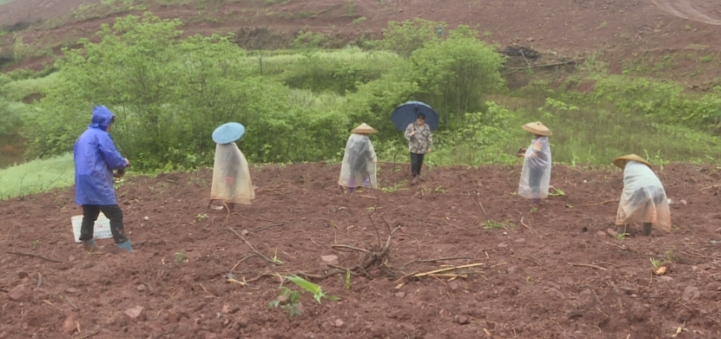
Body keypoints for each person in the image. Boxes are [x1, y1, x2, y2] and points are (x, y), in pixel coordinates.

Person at [74, 106, 132, 252]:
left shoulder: (83, 136)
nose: (109, 127)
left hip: (83, 180)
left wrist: (111, 173)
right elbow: (112, 158)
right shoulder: (101, 136)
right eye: (109, 124)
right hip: (97, 181)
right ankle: (123, 246)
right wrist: (123, 162)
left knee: (90, 212)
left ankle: (87, 244)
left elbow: (90, 163)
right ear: (105, 123)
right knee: (115, 213)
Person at [613, 154, 671, 236]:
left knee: (626, 206)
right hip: (658, 190)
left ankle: (621, 231)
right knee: (649, 209)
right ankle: (647, 232)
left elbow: (629, 188)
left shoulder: (628, 168)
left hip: (642, 189)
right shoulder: (644, 169)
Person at [210, 122, 255, 211]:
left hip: (227, 170)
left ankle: (229, 207)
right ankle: (229, 206)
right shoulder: (229, 146)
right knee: (229, 187)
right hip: (230, 170)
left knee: (228, 187)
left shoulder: (221, 145)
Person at [517, 122, 552, 208]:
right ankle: (536, 200)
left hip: (536, 165)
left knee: (533, 183)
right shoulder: (543, 139)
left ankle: (536, 202)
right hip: (541, 165)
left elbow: (534, 154)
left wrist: (521, 155)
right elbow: (537, 150)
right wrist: (525, 149)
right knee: (536, 182)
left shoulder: (538, 142)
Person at [339, 123, 377, 193]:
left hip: (351, 160)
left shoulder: (352, 138)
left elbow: (349, 150)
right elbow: (367, 151)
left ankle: (350, 188)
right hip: (361, 160)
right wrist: (371, 158)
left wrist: (349, 159)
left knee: (352, 173)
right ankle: (367, 187)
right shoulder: (364, 139)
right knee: (364, 173)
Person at [404, 114, 433, 185]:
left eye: (422, 119)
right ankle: (414, 176)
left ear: (424, 120)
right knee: (414, 163)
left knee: (420, 163)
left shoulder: (426, 127)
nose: (420, 121)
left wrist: (430, 147)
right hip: (413, 148)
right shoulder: (411, 126)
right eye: (418, 119)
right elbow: (405, 135)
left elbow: (429, 137)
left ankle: (418, 174)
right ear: (416, 119)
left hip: (422, 148)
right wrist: (411, 134)